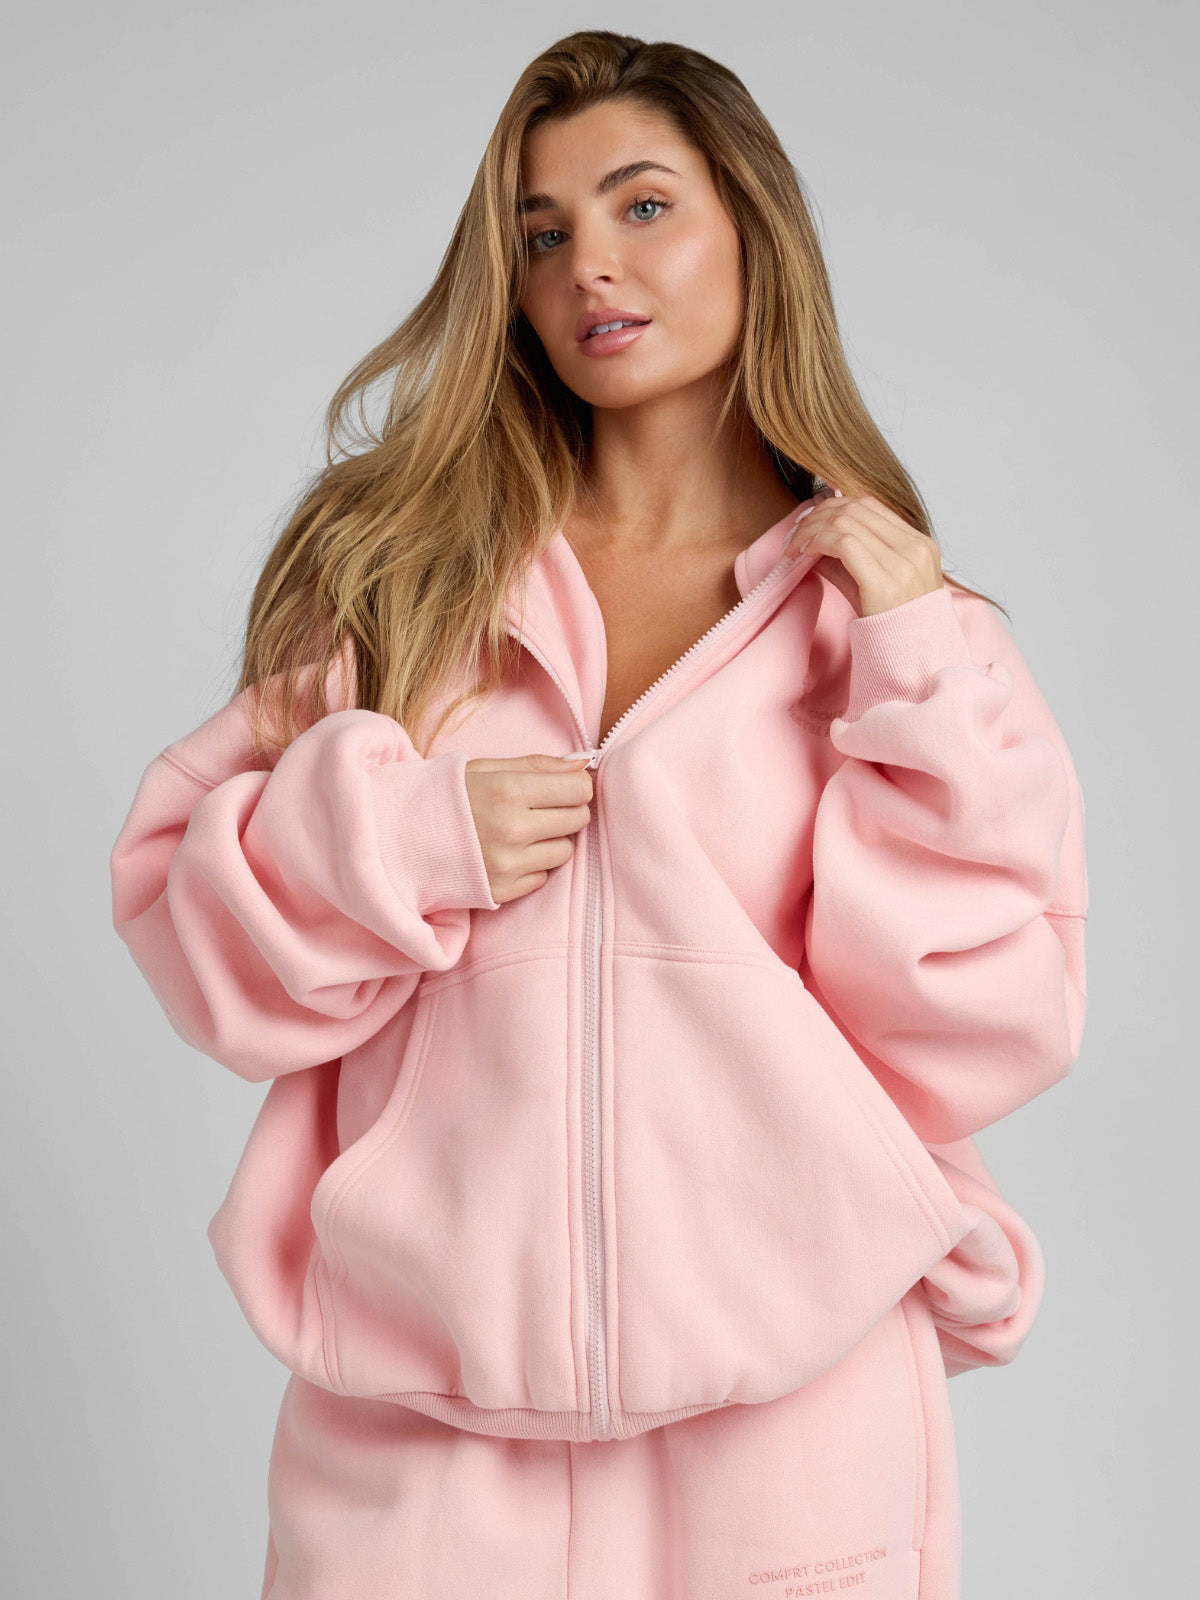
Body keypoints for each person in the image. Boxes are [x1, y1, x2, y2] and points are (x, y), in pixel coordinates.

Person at [108, 28, 1088, 1600]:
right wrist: (404, 842)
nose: (589, 269)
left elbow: (973, 1028)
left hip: (791, 1424)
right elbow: (188, 920)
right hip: (421, 1425)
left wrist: (918, 661)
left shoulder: (887, 628)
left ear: (754, 228)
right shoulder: (407, 580)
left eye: (643, 207)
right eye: (543, 232)